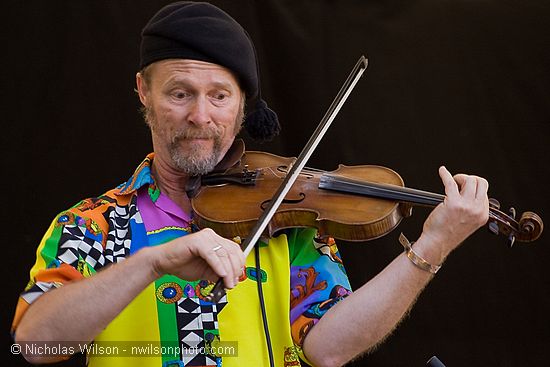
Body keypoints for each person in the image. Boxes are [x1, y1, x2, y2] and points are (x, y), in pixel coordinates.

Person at [11, 2, 489, 367]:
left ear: (242, 108)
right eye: (180, 93)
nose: (200, 116)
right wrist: (151, 263)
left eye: (219, 96)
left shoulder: (288, 221)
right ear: (144, 92)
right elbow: (35, 343)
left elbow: (327, 349)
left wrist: (433, 246)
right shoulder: (92, 224)